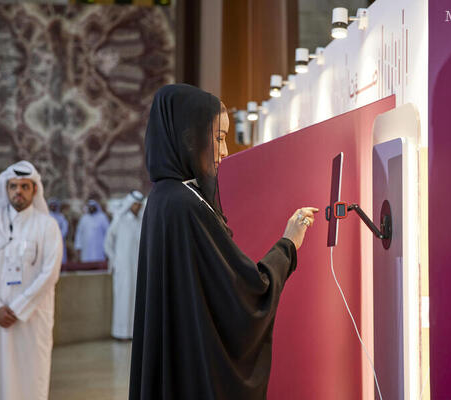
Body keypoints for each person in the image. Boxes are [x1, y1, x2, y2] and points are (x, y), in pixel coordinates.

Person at [129, 84, 318, 400]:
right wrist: (289, 244)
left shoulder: (164, 197)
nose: (225, 151)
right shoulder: (184, 204)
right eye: (218, 138)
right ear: (190, 140)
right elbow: (244, 292)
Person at [0, 161, 63, 400]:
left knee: (29, 379)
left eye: (25, 186)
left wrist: (18, 307)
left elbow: (50, 273)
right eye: (13, 186)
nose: (18, 192)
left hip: (30, 320)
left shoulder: (48, 226)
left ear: (35, 190)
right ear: (6, 188)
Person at [104, 190, 145, 340]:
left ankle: (134, 333)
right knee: (123, 299)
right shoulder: (120, 220)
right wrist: (115, 260)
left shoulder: (141, 222)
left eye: (139, 205)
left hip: (137, 268)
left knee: (136, 299)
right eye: (135, 204)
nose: (137, 207)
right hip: (122, 268)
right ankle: (120, 332)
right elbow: (108, 242)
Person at [48, 198, 68, 264]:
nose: (53, 207)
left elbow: (65, 228)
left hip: (59, 240)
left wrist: (59, 236)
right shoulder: (47, 216)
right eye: (52, 205)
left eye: (54, 205)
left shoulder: (61, 217)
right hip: (49, 241)